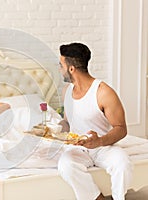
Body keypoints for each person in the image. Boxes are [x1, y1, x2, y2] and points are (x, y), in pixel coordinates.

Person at [57, 42, 132, 200]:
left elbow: (121, 128)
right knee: (65, 165)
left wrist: (99, 141)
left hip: (103, 147)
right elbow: (67, 122)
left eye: (61, 65)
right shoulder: (66, 91)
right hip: (79, 149)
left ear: (71, 69)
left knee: (122, 164)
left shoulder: (103, 92)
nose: (59, 69)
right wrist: (54, 130)